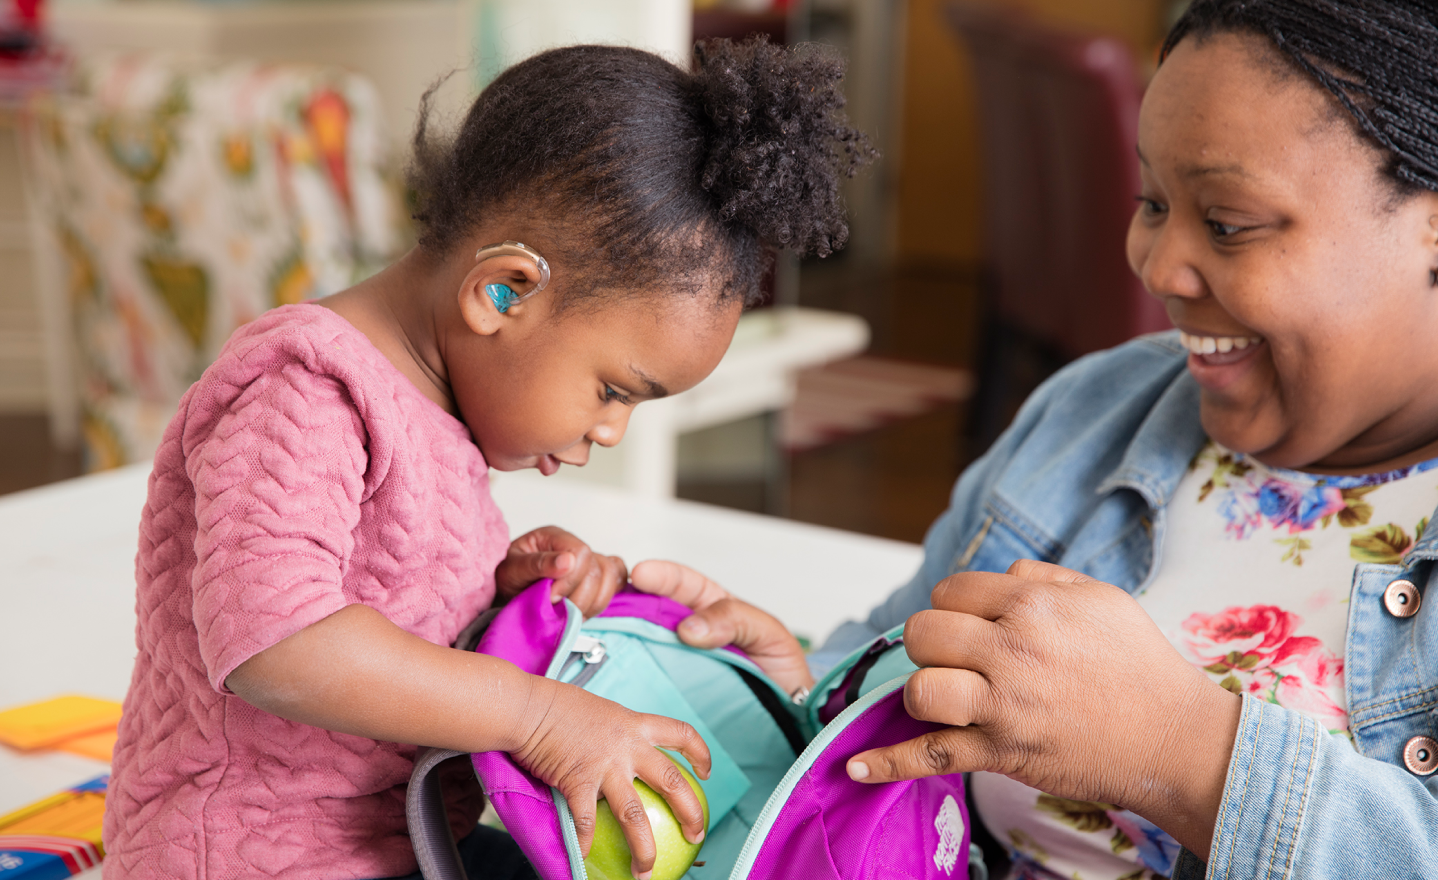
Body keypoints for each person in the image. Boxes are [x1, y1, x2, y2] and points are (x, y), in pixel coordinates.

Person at [101, 39, 866, 880]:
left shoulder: (440, 409)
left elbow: (390, 604)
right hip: (243, 856)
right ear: (502, 291)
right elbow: (277, 643)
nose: (612, 431)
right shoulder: (309, 388)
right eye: (615, 390)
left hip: (409, 841)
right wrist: (541, 717)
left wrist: (506, 592)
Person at [810, 1, 1438, 877]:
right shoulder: (1100, 410)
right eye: (1153, 201)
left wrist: (1181, 752)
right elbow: (878, 668)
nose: (1157, 265)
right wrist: (786, 684)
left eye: (1227, 222)